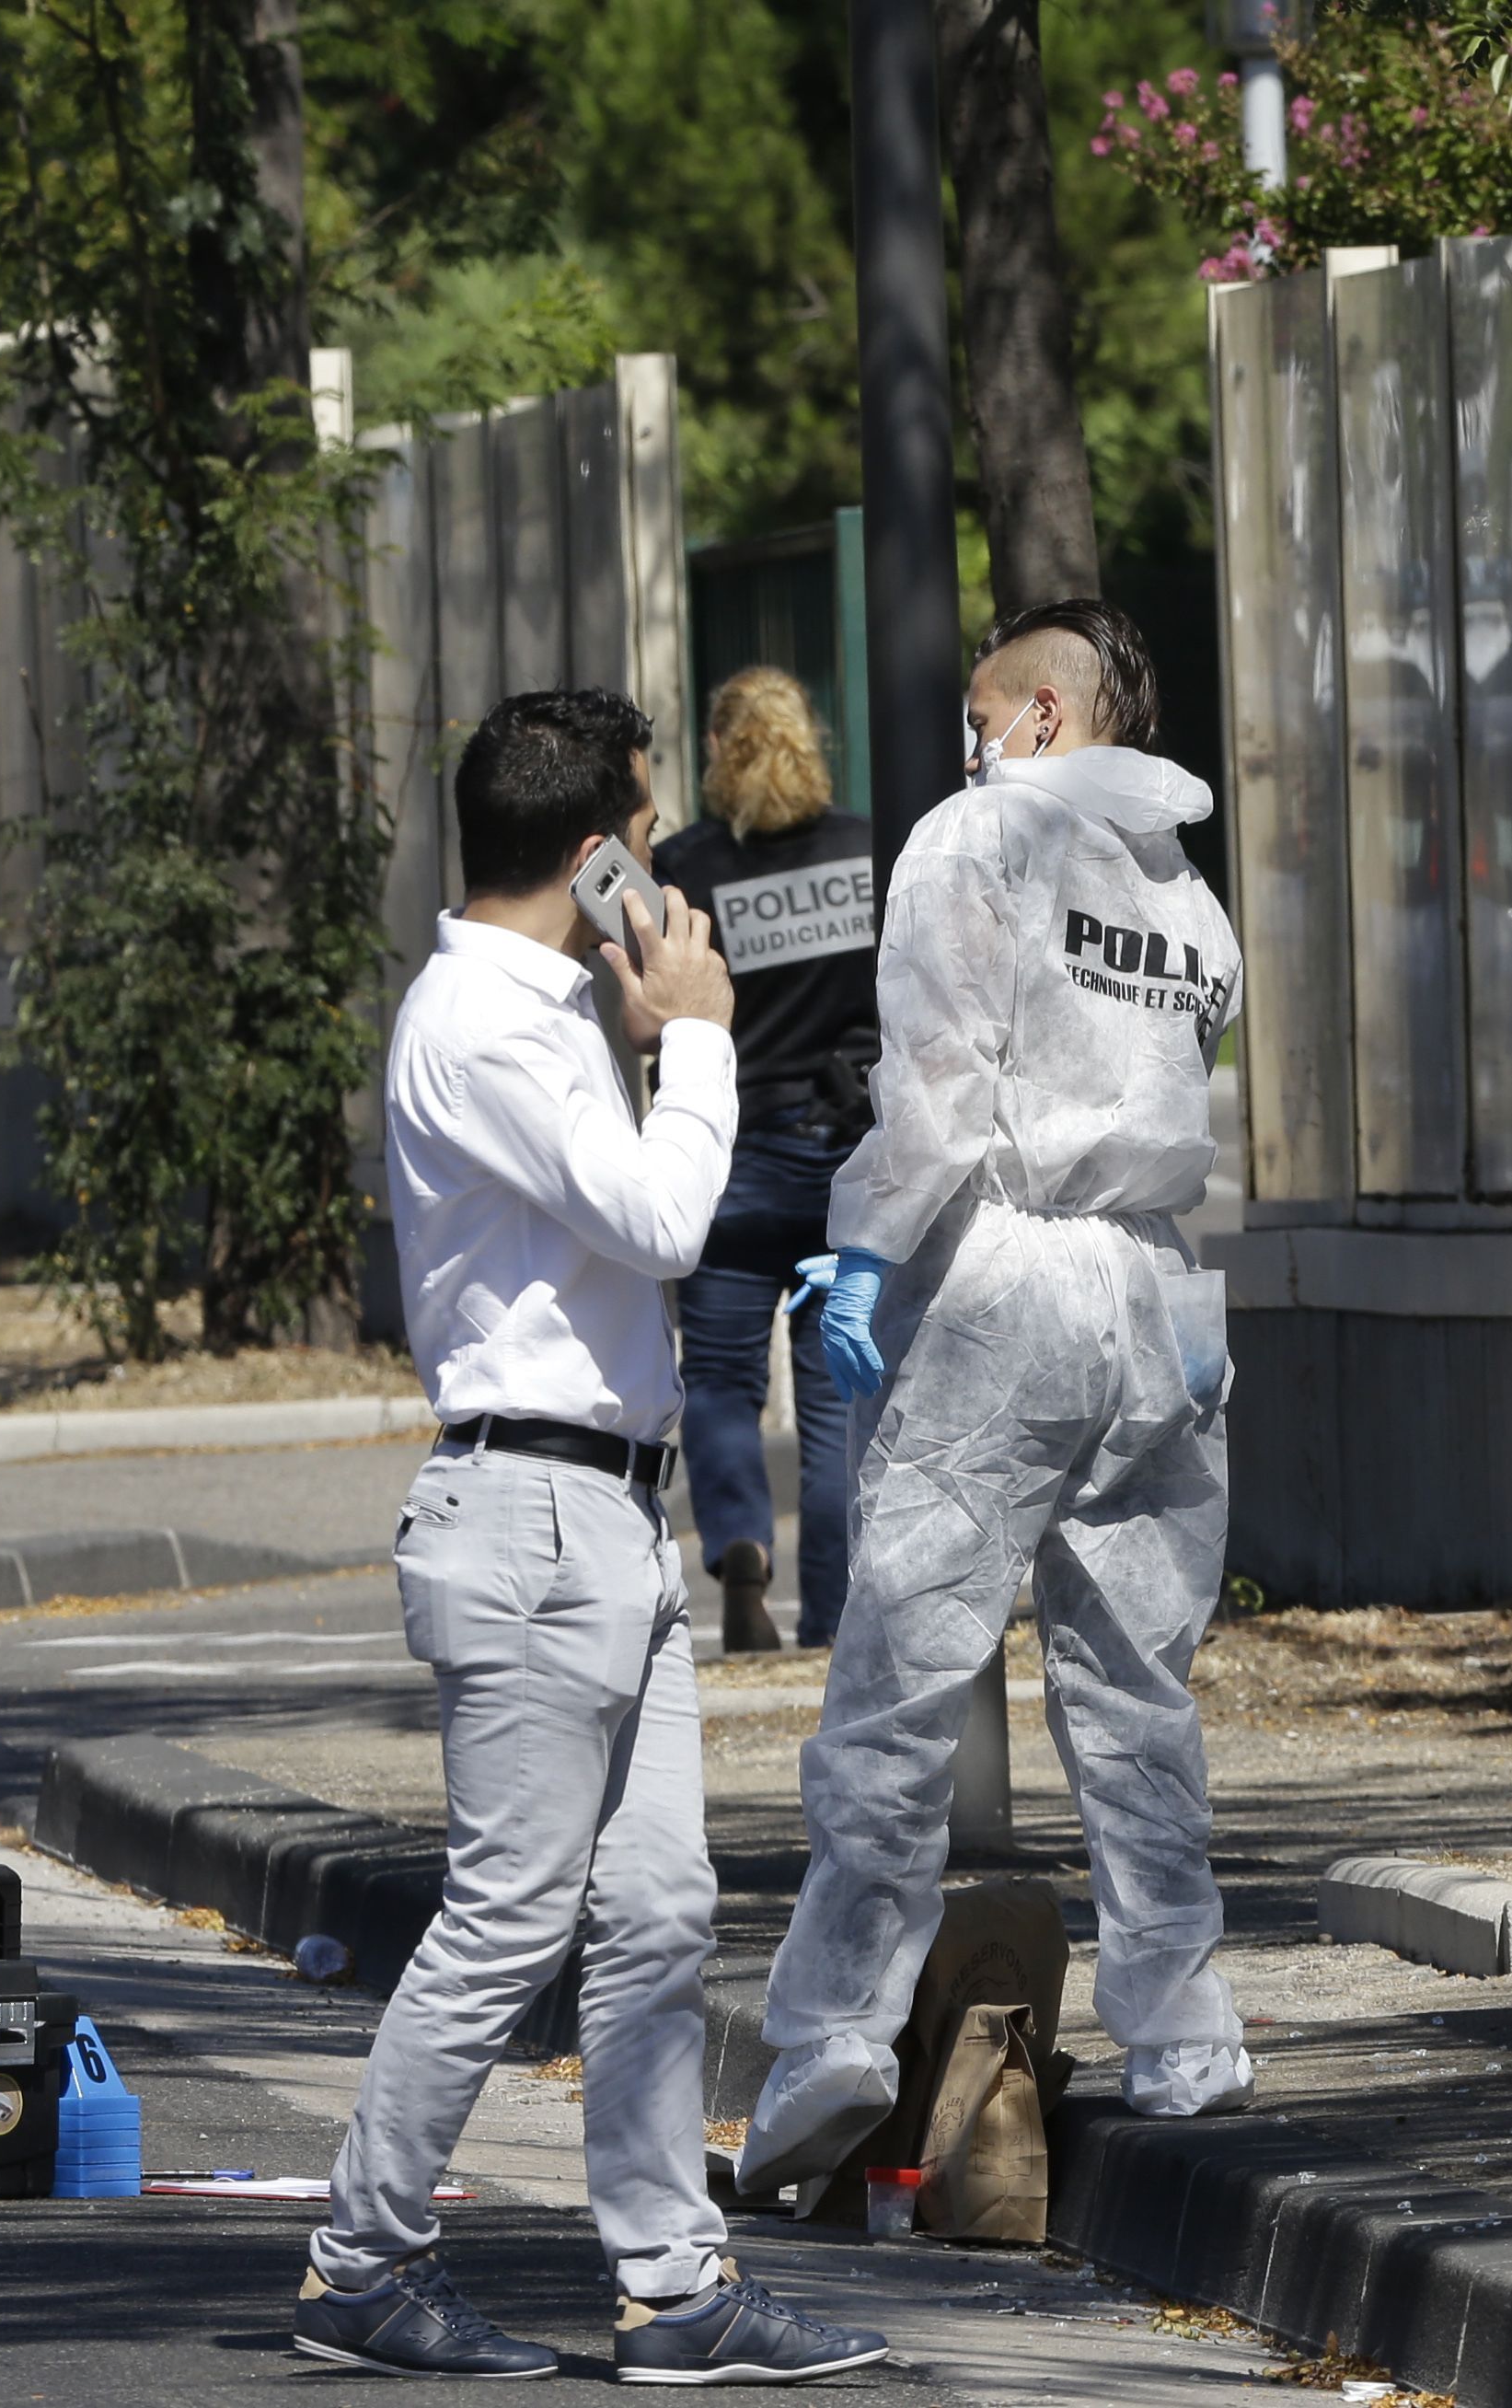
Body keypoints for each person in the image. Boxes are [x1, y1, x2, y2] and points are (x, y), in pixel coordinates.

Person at [294, 689, 882, 2385]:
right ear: (597, 848)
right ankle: (359, 2255)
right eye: (645, 829)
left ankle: (674, 2283)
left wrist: (645, 1027)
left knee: (658, 1912)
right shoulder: (477, 1019)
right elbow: (660, 1219)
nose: (669, 875)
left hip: (605, 1516)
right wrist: (697, 1028)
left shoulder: (543, 1007)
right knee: (509, 1914)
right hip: (533, 1511)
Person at [739, 600, 1253, 2197]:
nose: (969, 737)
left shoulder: (979, 841)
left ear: (1039, 714)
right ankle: (1182, 2031)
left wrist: (867, 1254)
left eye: (983, 708)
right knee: (1135, 1685)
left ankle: (834, 2030)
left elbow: (940, 1086)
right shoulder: (1183, 885)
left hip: (1012, 1274)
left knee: (904, 1659)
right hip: (1160, 1291)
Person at [651, 668, 879, 1651]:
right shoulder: (869, 851)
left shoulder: (684, 868)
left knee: (717, 1382)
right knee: (833, 1398)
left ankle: (739, 1550)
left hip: (730, 1157)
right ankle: (829, 1618)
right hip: (843, 1161)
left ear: (715, 750)